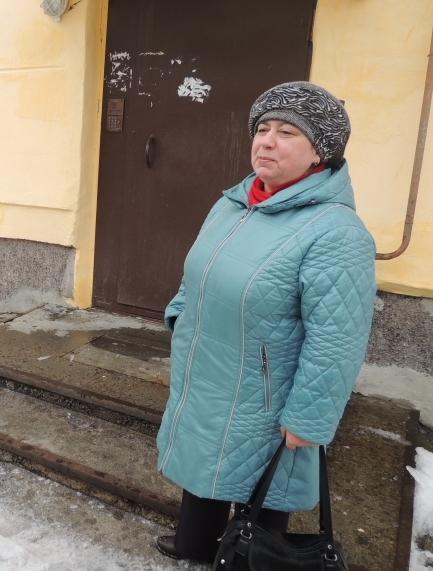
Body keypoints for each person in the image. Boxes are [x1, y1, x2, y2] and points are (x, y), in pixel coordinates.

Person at [154, 82, 377, 563]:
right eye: (262, 129)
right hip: (209, 372)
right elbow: (198, 272)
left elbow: (337, 339)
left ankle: (253, 558)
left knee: (263, 490)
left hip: (268, 398)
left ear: (320, 152)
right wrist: (180, 315)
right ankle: (197, 544)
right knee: (205, 462)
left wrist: (308, 420)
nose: (267, 141)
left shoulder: (336, 232)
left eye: (287, 133)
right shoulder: (235, 203)